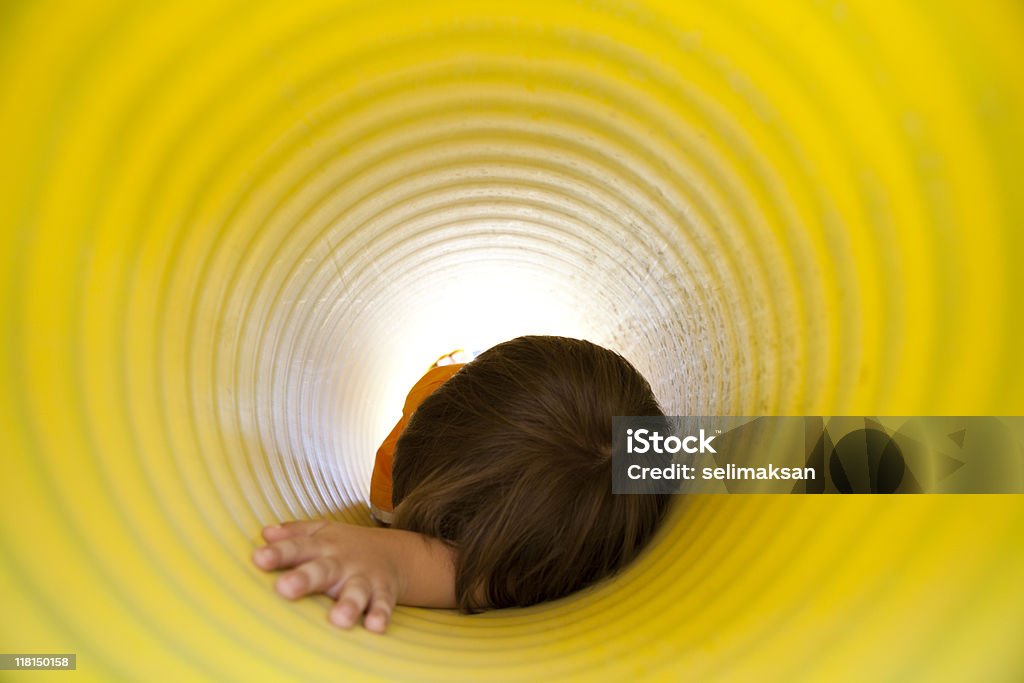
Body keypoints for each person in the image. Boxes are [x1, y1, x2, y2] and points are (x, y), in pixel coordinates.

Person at [252, 336, 671, 633]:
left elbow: (476, 575)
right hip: (462, 394)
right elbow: (733, 454)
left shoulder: (397, 494)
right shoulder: (435, 396)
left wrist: (391, 557)